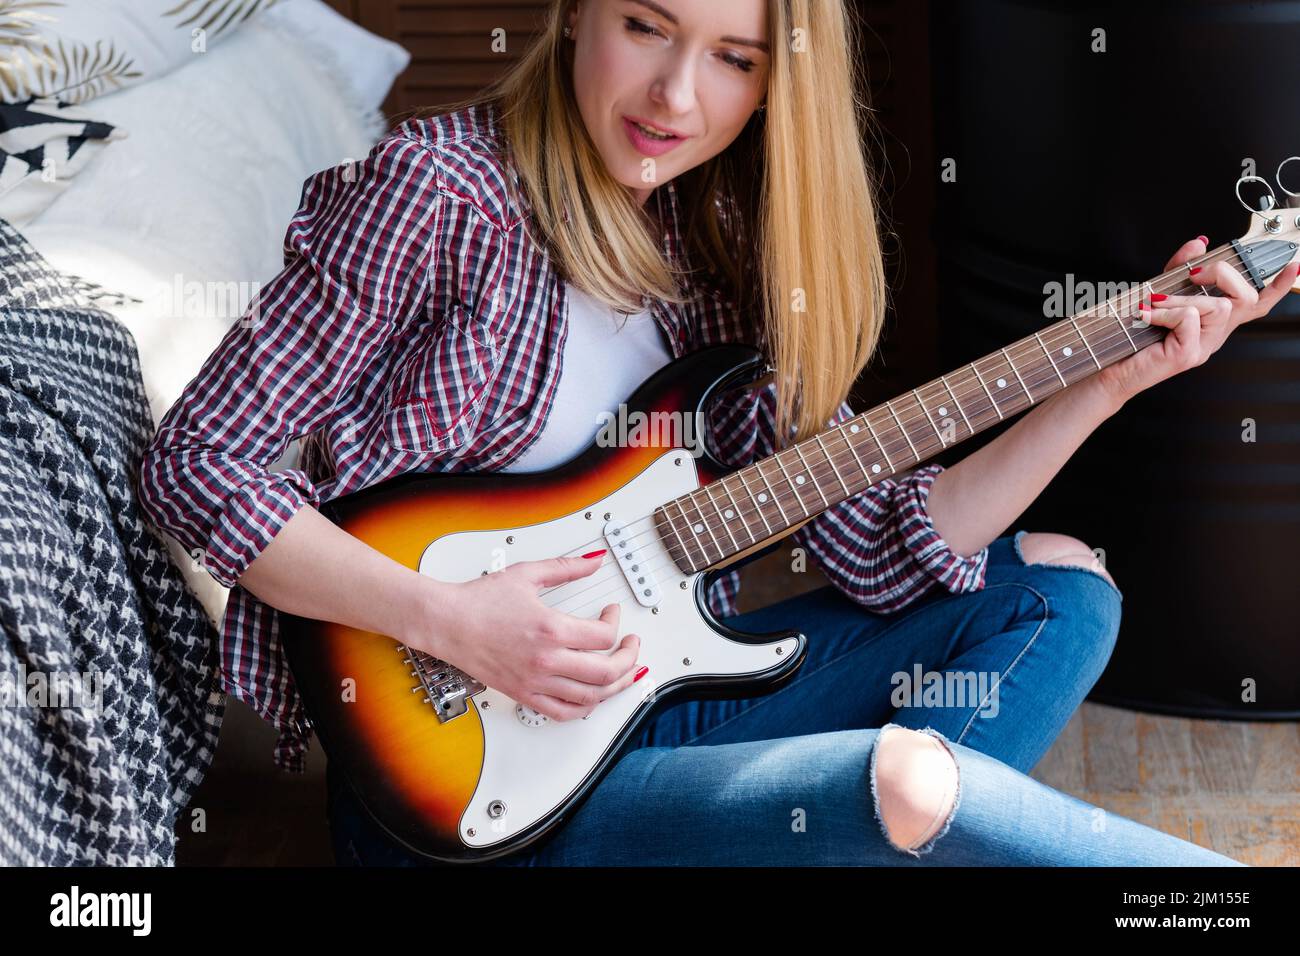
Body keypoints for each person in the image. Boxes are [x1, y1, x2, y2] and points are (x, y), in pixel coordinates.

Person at [139, 0, 1296, 866]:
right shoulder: (439, 192)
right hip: (464, 789)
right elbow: (197, 463)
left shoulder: (726, 245)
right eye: (646, 26)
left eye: (733, 59)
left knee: (1063, 587)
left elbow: (880, 536)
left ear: (773, 83)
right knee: (901, 781)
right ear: (578, 12)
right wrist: (452, 619)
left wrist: (1105, 380)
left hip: (660, 702)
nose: (673, 97)